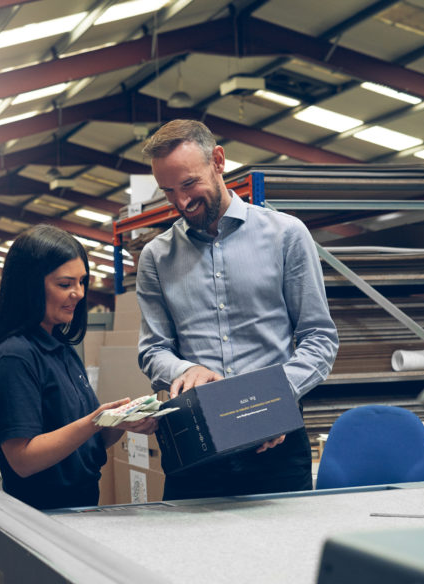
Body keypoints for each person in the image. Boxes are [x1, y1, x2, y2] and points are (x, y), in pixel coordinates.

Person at [136, 119, 339, 500]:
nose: (181, 202)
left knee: (281, 555)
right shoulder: (156, 257)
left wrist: (274, 401)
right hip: (196, 445)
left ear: (218, 161)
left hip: (275, 448)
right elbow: (152, 350)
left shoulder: (286, 235)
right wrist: (185, 369)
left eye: (189, 184)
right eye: (168, 191)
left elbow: (319, 339)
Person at [0, 223, 156, 584]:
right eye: (64, 283)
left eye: (81, 282)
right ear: (29, 286)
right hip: (40, 525)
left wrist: (117, 425)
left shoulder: (59, 349)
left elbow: (76, 441)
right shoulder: (15, 359)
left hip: (75, 517)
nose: (77, 293)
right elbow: (23, 457)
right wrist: (94, 421)